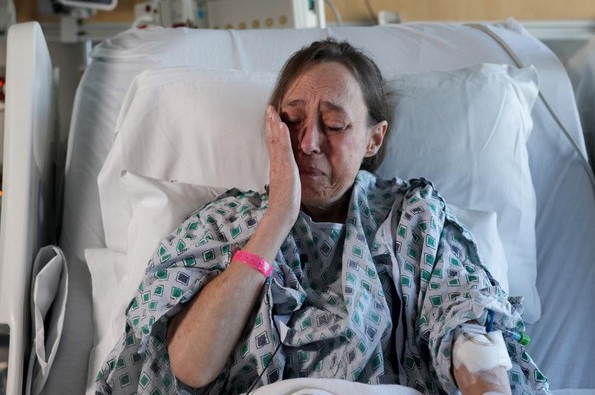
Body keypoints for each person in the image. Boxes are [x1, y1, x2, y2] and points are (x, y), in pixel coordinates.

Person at [96, 39, 548, 395]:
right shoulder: (223, 226)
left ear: (374, 139)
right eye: (292, 121)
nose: (309, 142)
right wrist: (275, 220)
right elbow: (190, 366)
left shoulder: (413, 223)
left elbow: (464, 317)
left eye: (334, 125)